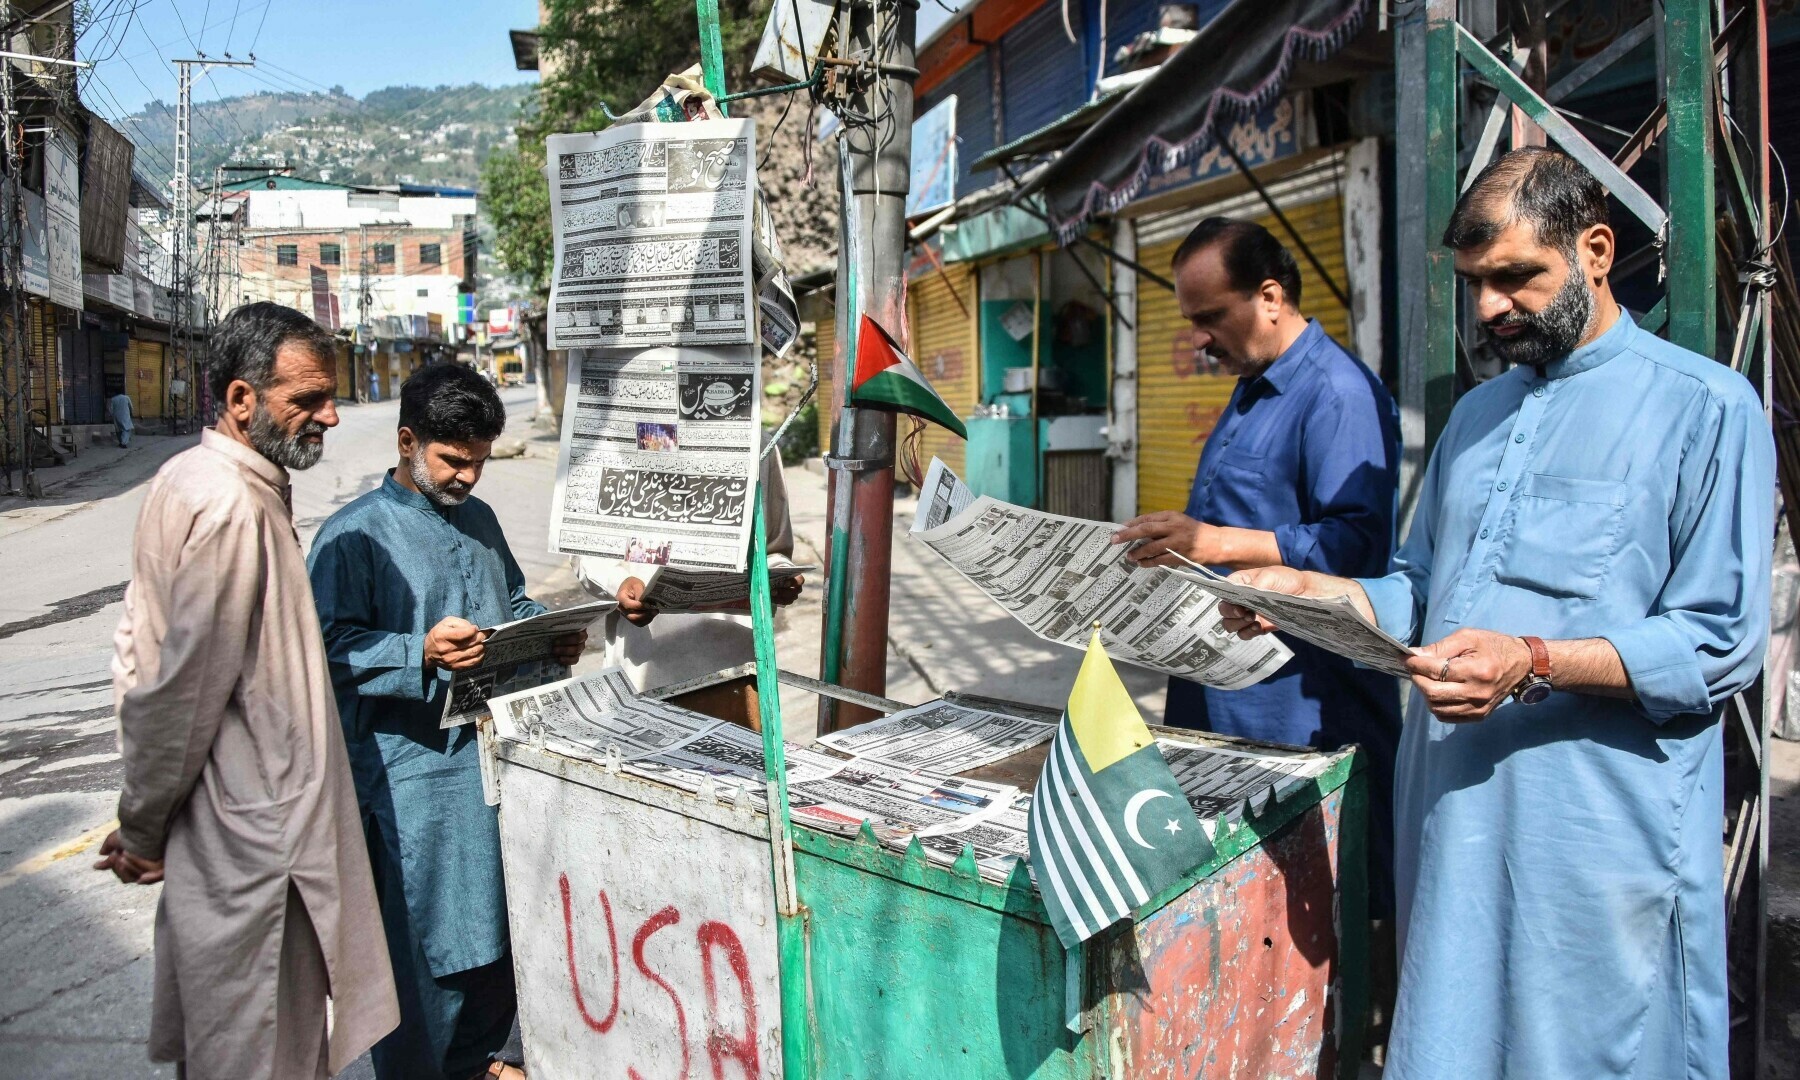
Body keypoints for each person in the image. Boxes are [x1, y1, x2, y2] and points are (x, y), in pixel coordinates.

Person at [1220, 148, 1773, 1078]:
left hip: (1596, 839)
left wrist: (1535, 659)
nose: (1488, 309)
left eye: (1516, 277)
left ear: (1595, 250)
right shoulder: (1475, 421)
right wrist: (1322, 598)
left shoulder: (1707, 409)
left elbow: (1719, 642)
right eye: (1476, 283)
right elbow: (1425, 590)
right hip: (1452, 822)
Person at [96, 302, 398, 1080]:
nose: (329, 414)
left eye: (328, 396)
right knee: (259, 1053)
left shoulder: (197, 479)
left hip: (237, 833)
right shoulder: (231, 505)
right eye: (306, 399)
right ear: (240, 401)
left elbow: (137, 649)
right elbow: (176, 692)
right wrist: (143, 827)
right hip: (256, 850)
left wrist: (149, 816)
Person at [1110, 217, 1402, 915]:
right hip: (1224, 685)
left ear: (1271, 297)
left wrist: (1214, 543)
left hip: (1300, 700)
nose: (1199, 339)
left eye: (1211, 317)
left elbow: (1355, 547)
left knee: (1316, 896)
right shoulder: (1255, 380)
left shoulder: (1338, 394)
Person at [308, 363, 584, 1080]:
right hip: (412, 783)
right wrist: (418, 651)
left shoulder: (481, 520)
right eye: (453, 460)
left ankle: (491, 1059)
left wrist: (550, 632)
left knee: (503, 930)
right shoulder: (352, 537)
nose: (467, 477)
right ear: (407, 442)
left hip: (494, 761)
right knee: (425, 952)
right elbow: (325, 652)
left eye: (479, 463)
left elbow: (513, 601)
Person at [577, 447, 803, 691]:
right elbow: (587, 551)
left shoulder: (761, 446)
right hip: (644, 661)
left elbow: (773, 549)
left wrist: (780, 577)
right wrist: (617, 583)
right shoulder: (618, 440)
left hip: (735, 664)